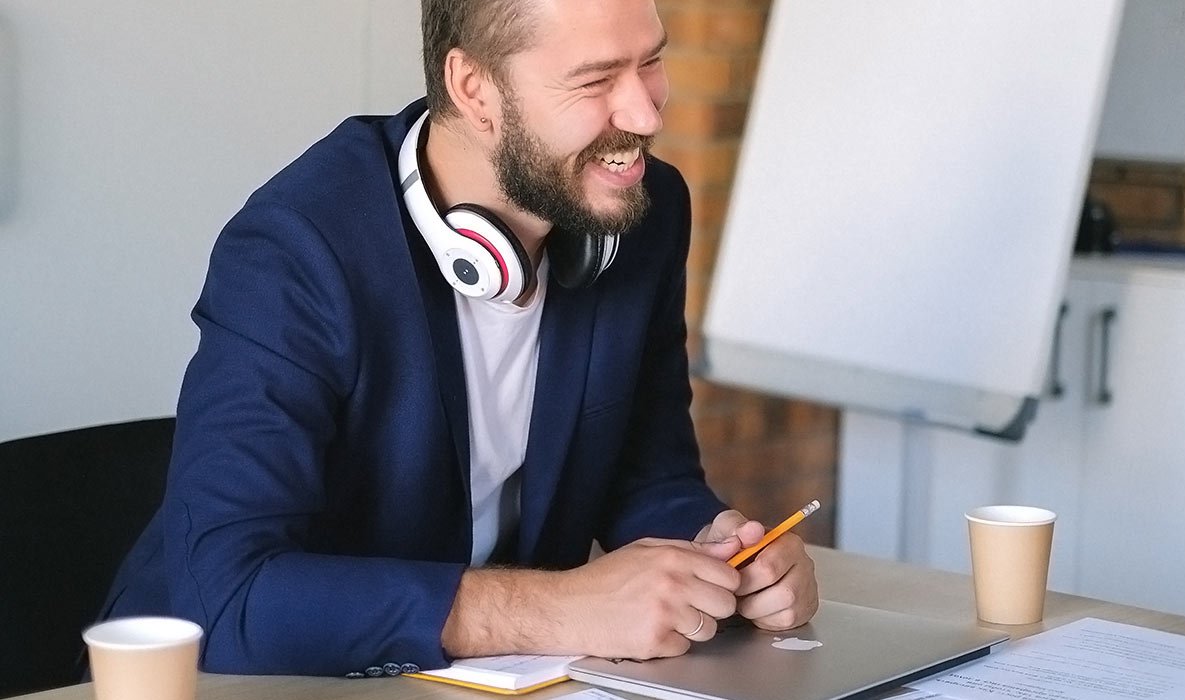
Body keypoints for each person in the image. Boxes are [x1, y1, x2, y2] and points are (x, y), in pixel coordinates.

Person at [99, 0, 818, 678]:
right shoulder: (298, 250)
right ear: (474, 89)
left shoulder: (638, 214)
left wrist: (718, 552)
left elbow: (647, 473)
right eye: (596, 79)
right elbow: (226, 596)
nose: (645, 109)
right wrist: (557, 609)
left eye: (650, 62)